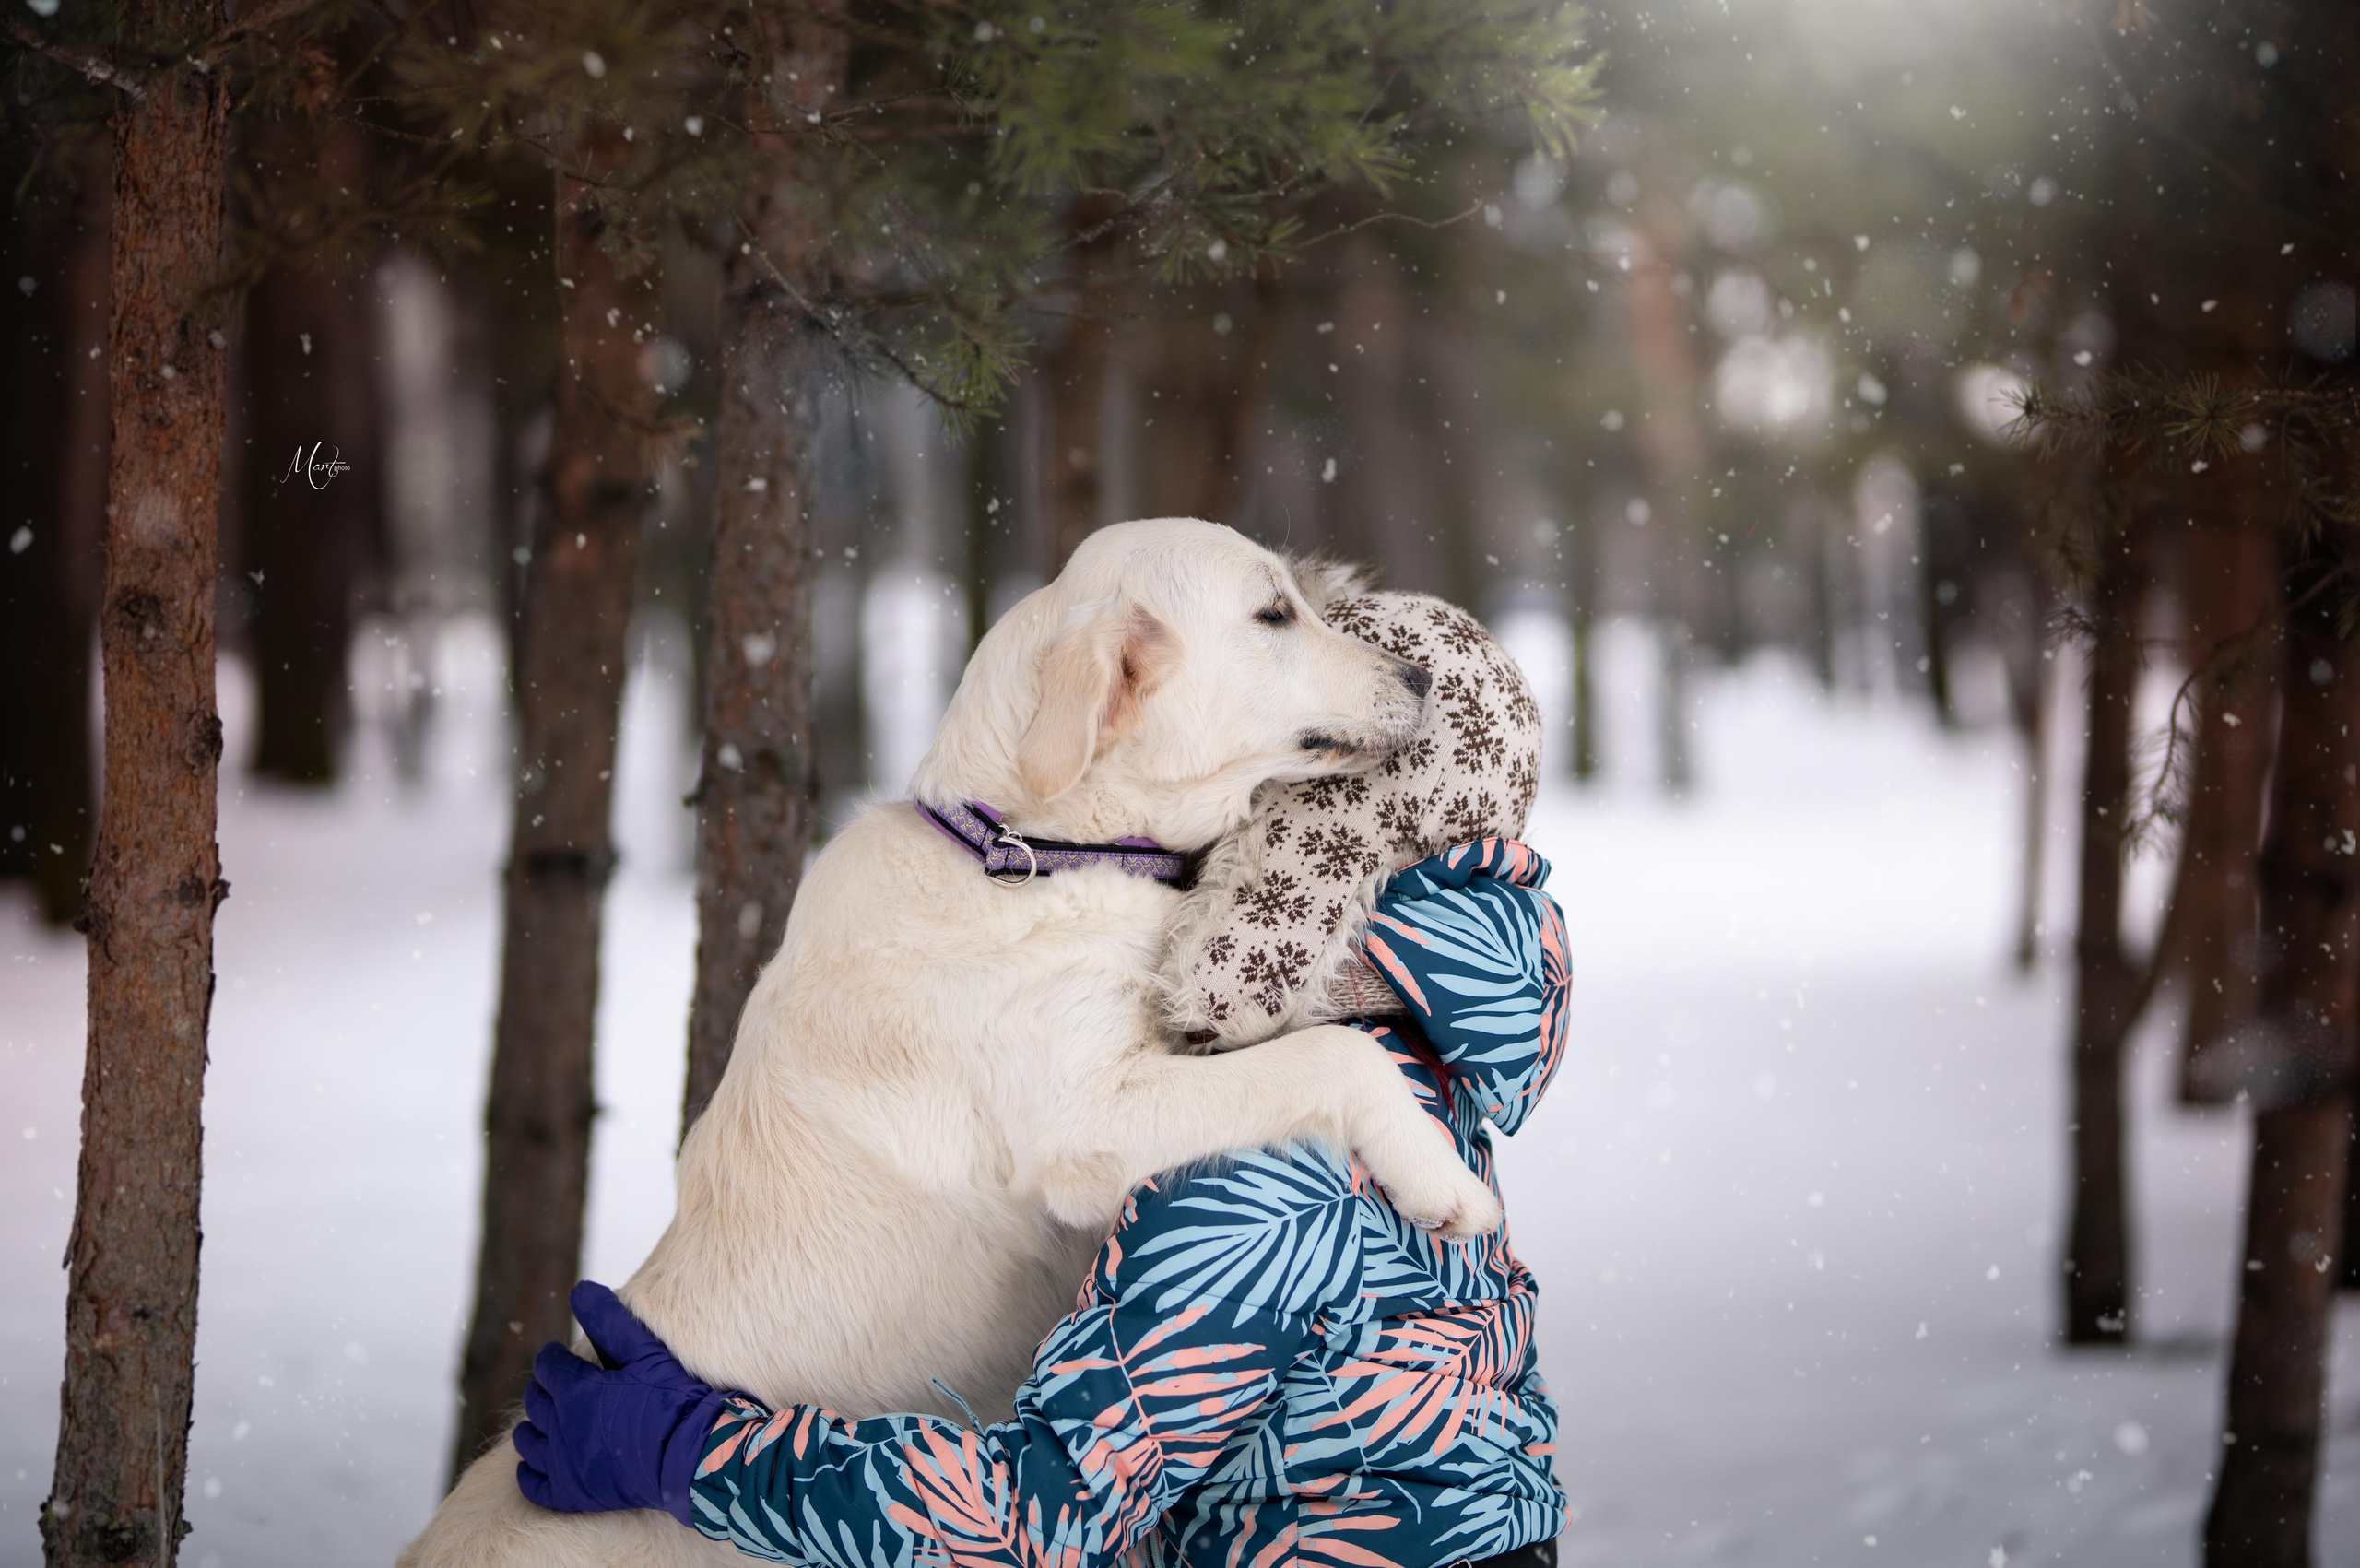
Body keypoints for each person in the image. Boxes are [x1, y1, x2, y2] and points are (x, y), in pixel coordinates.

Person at [514, 591, 1573, 1568]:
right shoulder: (1424, 1052)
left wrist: (689, 1454)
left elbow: (1040, 1516)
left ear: (1292, 813)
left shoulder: (1259, 1146)